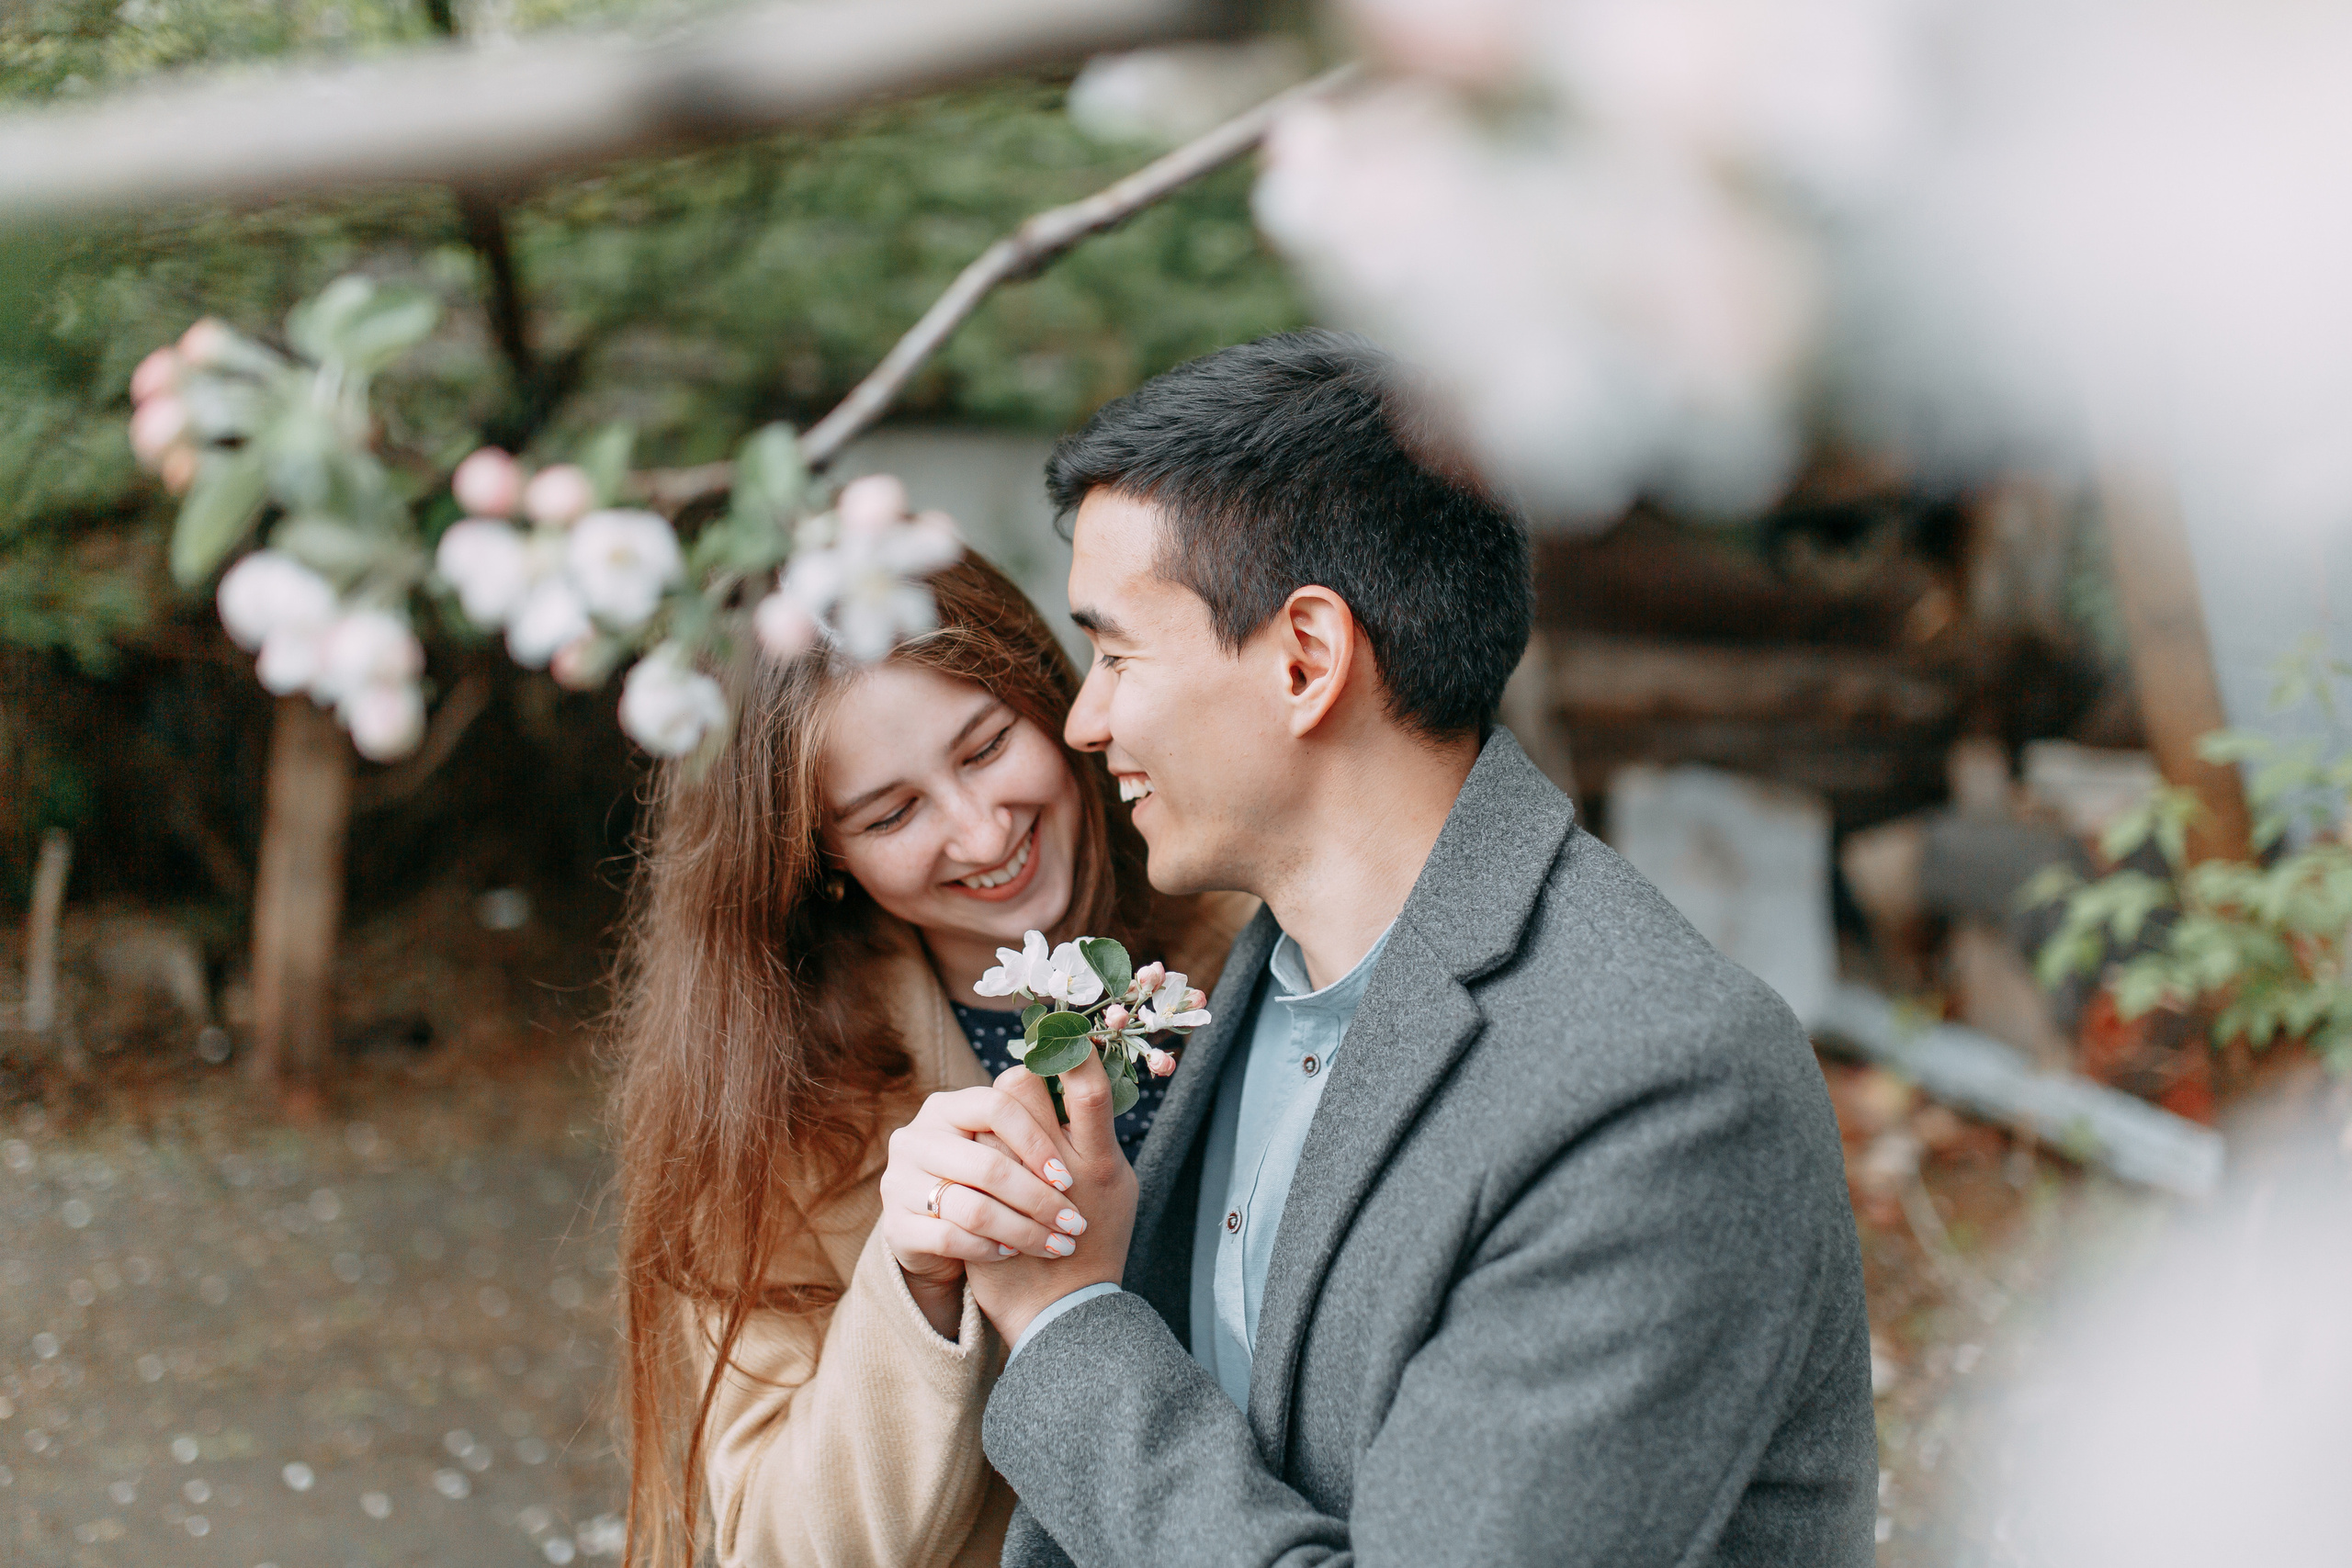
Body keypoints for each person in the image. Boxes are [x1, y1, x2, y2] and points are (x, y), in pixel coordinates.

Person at [881, 333, 1879, 1567]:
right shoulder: (1266, 971)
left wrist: (1074, 1321)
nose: (1084, 720)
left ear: (1306, 657)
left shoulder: (1660, 1084)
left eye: (1118, 652)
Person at [607, 546, 1252, 1568]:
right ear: (821, 859)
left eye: (987, 746)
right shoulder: (771, 1109)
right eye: (892, 813)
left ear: (1053, 700)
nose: (980, 830)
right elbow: (771, 1545)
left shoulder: (1256, 935)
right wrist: (913, 1287)